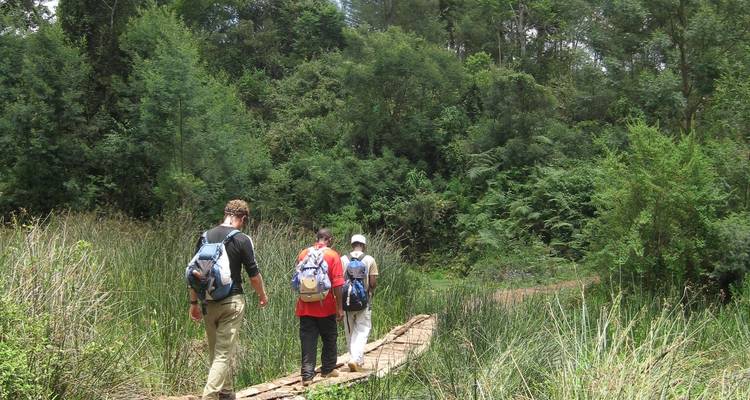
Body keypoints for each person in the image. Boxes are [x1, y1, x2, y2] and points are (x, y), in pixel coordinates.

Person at [188, 200, 268, 400]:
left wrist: (193, 303)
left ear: (225, 214)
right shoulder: (242, 239)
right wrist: (262, 295)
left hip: (207, 301)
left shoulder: (205, 237)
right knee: (223, 353)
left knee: (216, 351)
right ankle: (209, 395)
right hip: (232, 301)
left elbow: (194, 273)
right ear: (242, 218)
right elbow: (253, 274)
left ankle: (226, 392)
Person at [295, 228, 345, 386]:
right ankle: (328, 369)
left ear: (316, 238)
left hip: (305, 305)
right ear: (329, 240)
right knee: (329, 337)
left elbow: (298, 280)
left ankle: (307, 375)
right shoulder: (332, 255)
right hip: (326, 306)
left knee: (308, 340)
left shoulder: (304, 253)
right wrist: (339, 307)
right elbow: (337, 284)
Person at [341, 234, 378, 372]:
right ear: (364, 245)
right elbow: (373, 282)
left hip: (346, 301)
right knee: (362, 330)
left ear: (352, 244)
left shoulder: (343, 259)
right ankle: (355, 359)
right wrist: (369, 292)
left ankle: (355, 358)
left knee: (349, 331)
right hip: (364, 300)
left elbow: (339, 281)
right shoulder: (369, 260)